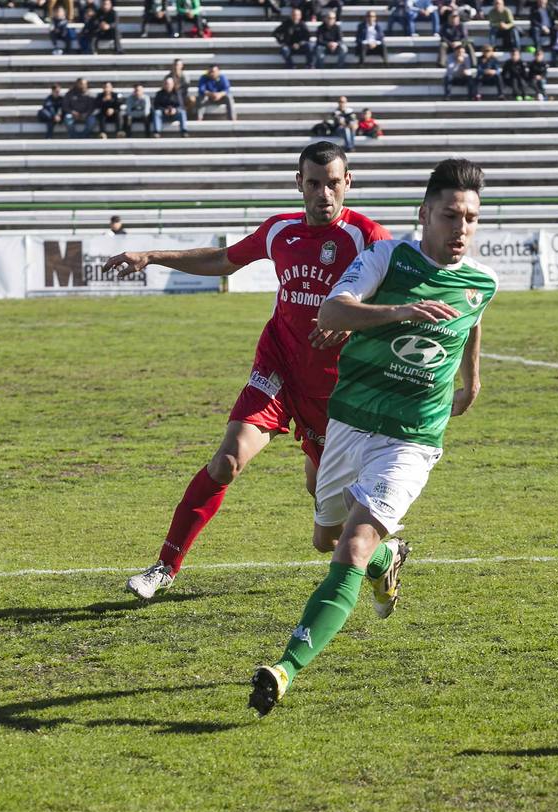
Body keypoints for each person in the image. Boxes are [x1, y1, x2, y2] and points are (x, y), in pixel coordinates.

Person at [246, 158, 497, 717]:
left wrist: (471, 380)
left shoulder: (483, 281)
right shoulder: (386, 257)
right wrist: (400, 311)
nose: (462, 229)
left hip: (410, 437)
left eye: (472, 219)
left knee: (349, 545)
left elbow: (474, 316)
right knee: (325, 537)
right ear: (425, 213)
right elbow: (335, 308)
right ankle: (387, 559)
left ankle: (284, 669)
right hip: (350, 422)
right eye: (452, 215)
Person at [106, 143, 392, 603]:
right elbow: (223, 260)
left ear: (348, 183)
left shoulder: (370, 237)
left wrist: (353, 325)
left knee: (328, 534)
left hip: (334, 391)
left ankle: (385, 557)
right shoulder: (280, 230)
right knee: (227, 461)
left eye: (333, 183)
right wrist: (152, 256)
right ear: (299, 183)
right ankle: (164, 566)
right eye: (314, 183)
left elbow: (399, 298)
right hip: (278, 368)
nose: (324, 193)